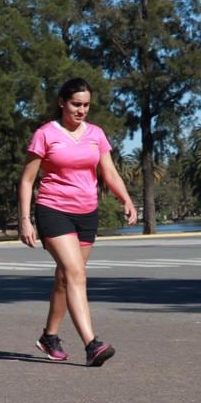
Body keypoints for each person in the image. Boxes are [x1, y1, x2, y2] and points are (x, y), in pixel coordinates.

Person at [19, 78, 136, 366]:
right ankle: (92, 344)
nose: (81, 110)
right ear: (62, 102)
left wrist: (127, 199)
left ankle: (49, 336)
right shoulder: (46, 134)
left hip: (87, 213)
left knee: (65, 277)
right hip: (53, 209)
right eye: (76, 104)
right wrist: (24, 219)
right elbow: (27, 180)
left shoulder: (96, 134)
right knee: (76, 274)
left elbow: (109, 172)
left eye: (86, 105)